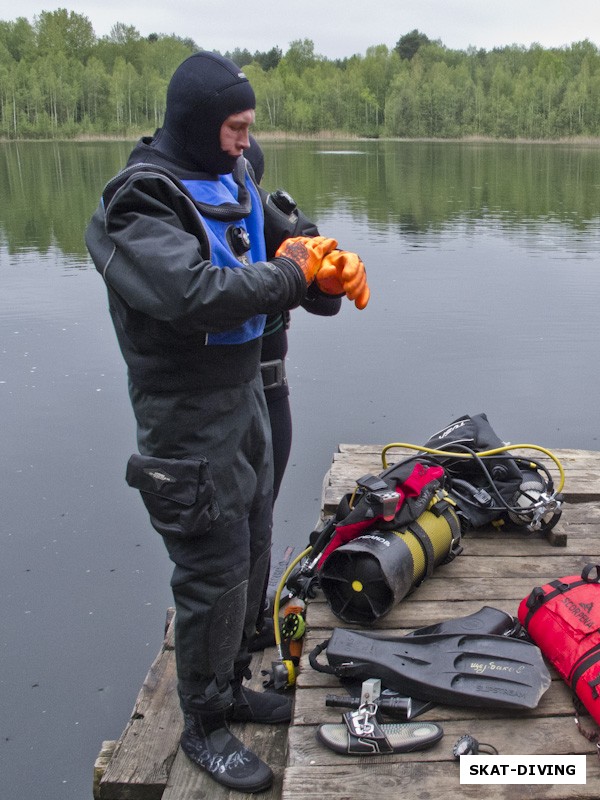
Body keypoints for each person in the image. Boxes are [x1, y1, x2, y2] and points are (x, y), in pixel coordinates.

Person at [85, 50, 369, 793]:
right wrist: (295, 271)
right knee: (210, 567)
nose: (247, 141)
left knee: (250, 542)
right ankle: (203, 723)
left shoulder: (233, 175)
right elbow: (198, 292)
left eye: (248, 129)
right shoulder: (139, 204)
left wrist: (324, 273)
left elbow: (282, 249)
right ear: (201, 124)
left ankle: (234, 681)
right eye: (236, 128)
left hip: (243, 395)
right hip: (184, 416)